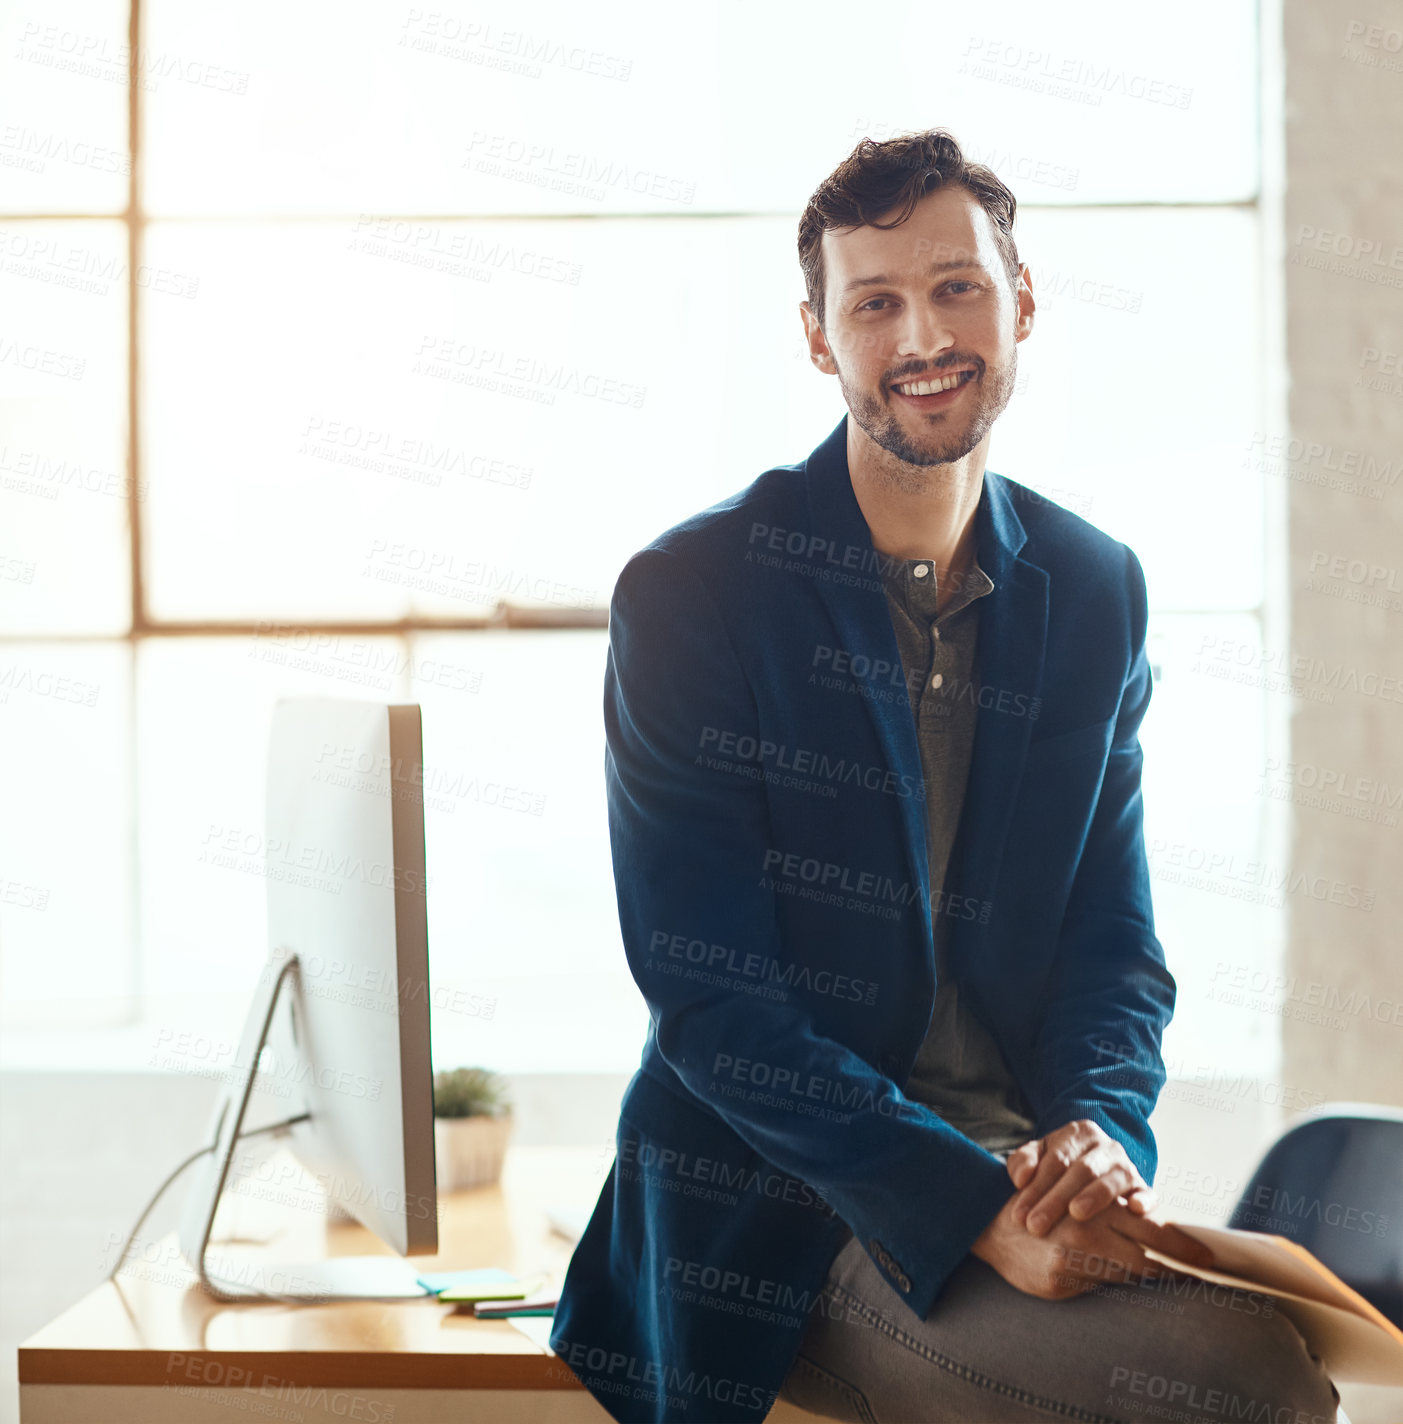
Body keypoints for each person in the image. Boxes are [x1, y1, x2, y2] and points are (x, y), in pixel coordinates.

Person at [550, 129, 1340, 1424]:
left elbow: (1114, 952)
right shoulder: (696, 597)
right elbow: (711, 1004)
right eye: (876, 302)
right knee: (1243, 1381)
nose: (925, 335)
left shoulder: (1093, 589)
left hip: (1029, 1182)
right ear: (820, 338)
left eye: (958, 286)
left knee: (1275, 1348)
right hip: (794, 1221)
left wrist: (1098, 1135)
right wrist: (971, 1208)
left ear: (1022, 301)